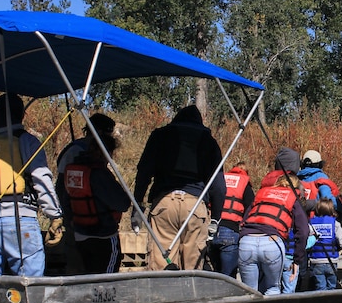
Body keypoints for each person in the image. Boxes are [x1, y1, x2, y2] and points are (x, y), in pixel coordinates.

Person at [0, 93, 64, 277]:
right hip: (22, 222)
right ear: (21, 114)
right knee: (30, 285)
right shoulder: (28, 141)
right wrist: (54, 215)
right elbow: (42, 180)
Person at [132, 105, 225, 271]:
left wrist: (138, 206)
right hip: (195, 205)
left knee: (162, 264)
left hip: (164, 203)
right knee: (192, 266)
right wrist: (215, 219)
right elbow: (218, 186)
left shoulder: (160, 136)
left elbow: (144, 172)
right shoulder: (208, 142)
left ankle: (163, 294)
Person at [55, 112, 116, 274]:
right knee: (77, 265)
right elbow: (63, 187)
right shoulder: (77, 152)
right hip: (79, 219)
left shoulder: (80, 150)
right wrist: (68, 216)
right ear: (100, 132)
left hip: (90, 219)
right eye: (108, 133)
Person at [62, 133, 130, 274]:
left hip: (80, 234)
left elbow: (65, 199)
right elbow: (122, 203)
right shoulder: (98, 173)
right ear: (107, 152)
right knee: (107, 277)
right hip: (103, 235)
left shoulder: (73, 171)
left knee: (88, 275)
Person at [238, 174, 309, 295]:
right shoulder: (293, 197)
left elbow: (245, 220)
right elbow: (303, 231)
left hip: (247, 242)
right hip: (272, 242)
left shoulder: (262, 193)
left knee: (249, 292)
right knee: (272, 288)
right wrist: (297, 260)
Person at [209, 161, 254, 278]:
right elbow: (251, 208)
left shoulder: (221, 179)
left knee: (214, 275)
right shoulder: (244, 183)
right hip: (230, 231)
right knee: (228, 278)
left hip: (211, 229)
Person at [308, 198, 342, 290]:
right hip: (331, 261)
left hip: (316, 260)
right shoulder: (335, 223)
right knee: (332, 287)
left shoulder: (311, 223)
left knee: (320, 287)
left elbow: (307, 241)